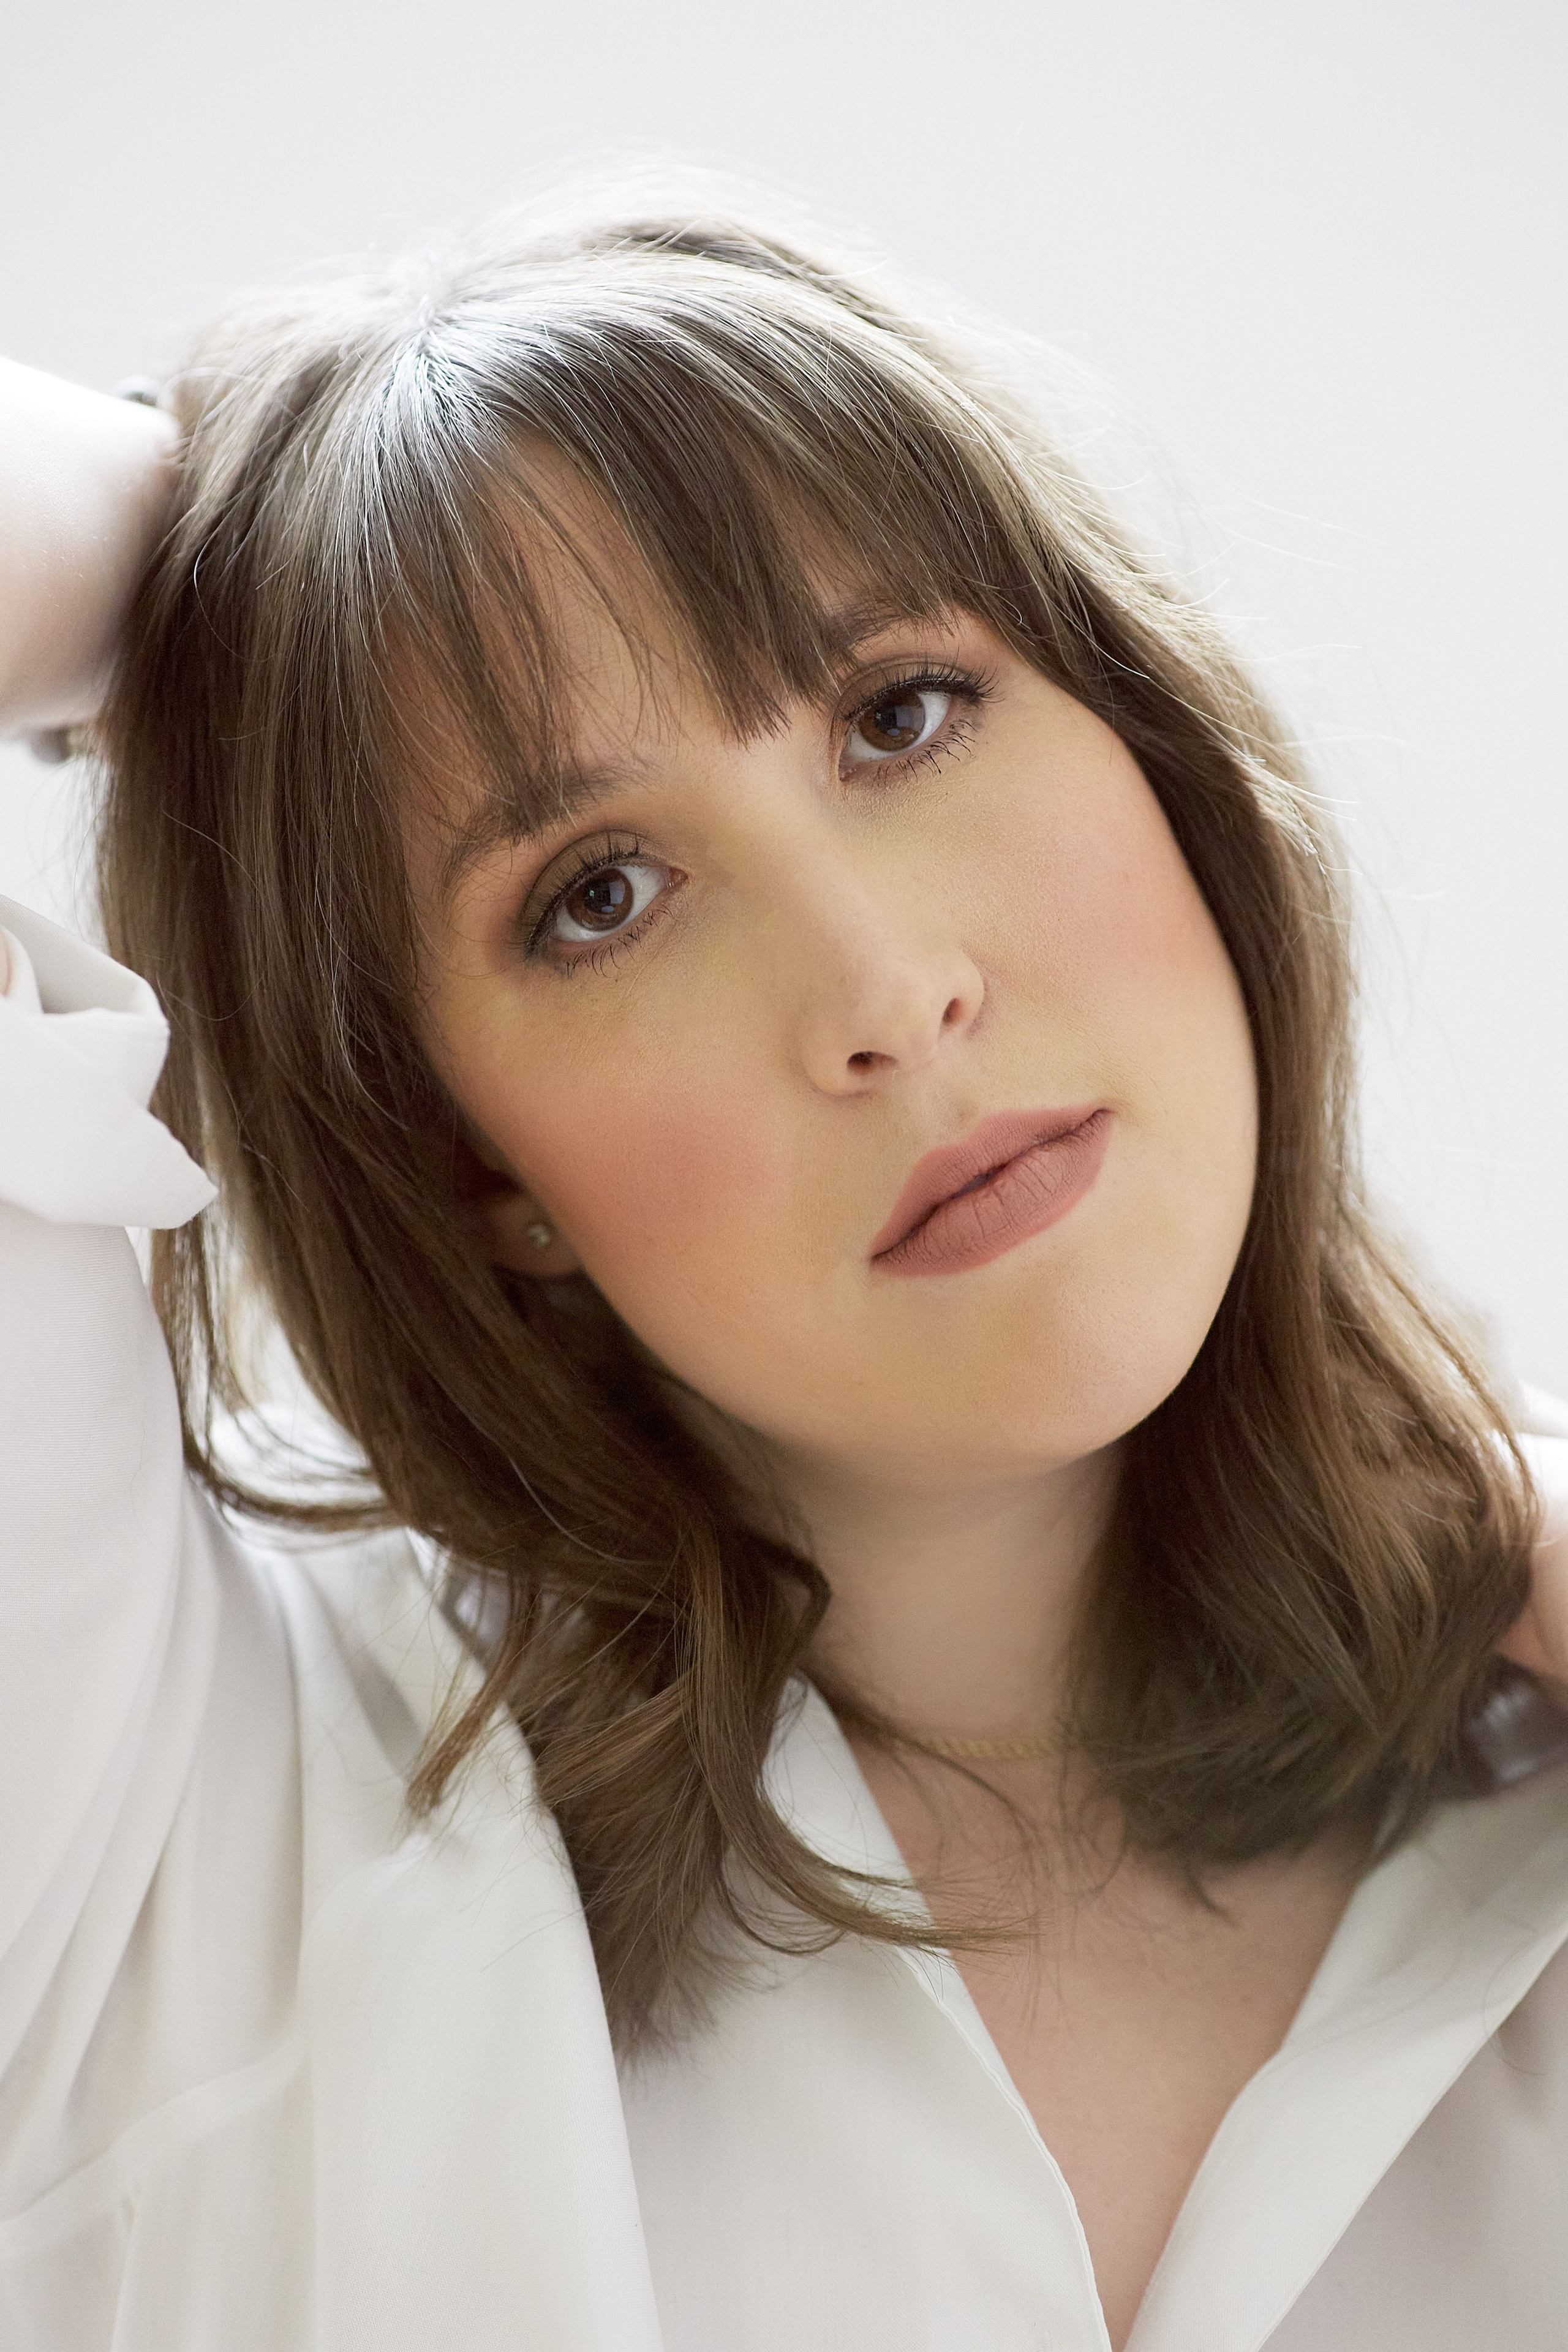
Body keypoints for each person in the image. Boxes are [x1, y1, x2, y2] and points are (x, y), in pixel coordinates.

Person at [2, 189, 1567, 2352]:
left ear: (1156, 755)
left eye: (906, 715)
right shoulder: (178, 1830)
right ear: (467, 1167)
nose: (889, 991)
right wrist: (202, 541)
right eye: (602, 894)